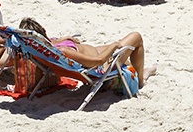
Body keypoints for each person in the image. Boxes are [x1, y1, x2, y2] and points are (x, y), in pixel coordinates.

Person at [19, 17, 155, 88]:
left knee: (124, 51)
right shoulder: (63, 51)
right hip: (101, 68)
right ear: (42, 29)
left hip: (95, 53)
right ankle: (141, 79)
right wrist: (113, 46)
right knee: (135, 37)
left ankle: (141, 71)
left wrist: (64, 39)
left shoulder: (44, 48)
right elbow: (99, 61)